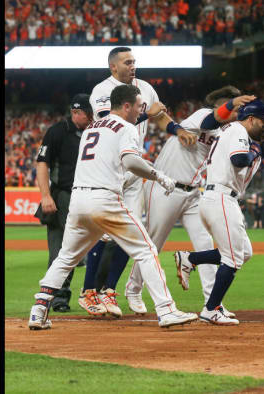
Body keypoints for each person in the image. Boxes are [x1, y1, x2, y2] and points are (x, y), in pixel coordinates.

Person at [28, 84, 198, 330]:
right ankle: (167, 310)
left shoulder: (91, 127)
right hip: (104, 200)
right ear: (126, 105)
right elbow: (130, 161)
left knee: (65, 257)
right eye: (139, 106)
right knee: (147, 249)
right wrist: (159, 176)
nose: (141, 111)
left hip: (78, 201)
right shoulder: (126, 127)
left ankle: (39, 310)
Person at [79, 46, 197, 317]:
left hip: (134, 169)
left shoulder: (144, 87)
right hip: (111, 168)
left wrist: (177, 129)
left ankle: (109, 292)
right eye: (127, 62)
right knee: (104, 232)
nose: (133, 65)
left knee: (130, 232)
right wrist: (148, 112)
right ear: (113, 67)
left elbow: (159, 115)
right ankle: (88, 292)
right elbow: (108, 122)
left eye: (134, 61)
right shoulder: (102, 90)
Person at [125, 86, 256, 318]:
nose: (239, 113)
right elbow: (208, 123)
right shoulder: (203, 114)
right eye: (236, 108)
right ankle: (133, 289)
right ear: (223, 106)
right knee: (153, 242)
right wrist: (230, 104)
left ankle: (212, 304)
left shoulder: (230, 132)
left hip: (195, 192)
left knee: (205, 244)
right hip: (166, 186)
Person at [173, 98, 264, 326]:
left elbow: (243, 159)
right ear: (250, 119)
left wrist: (261, 151)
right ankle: (211, 309)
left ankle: (190, 258)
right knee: (232, 259)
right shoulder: (238, 130)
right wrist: (257, 150)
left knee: (243, 252)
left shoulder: (234, 132)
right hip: (221, 198)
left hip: (218, 198)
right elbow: (239, 159)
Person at [34, 94, 93, 313]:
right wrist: (46, 195)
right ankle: (57, 298)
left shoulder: (94, 130)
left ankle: (96, 294)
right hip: (63, 195)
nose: (92, 117)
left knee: (90, 250)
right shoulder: (57, 131)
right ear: (76, 112)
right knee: (59, 250)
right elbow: (42, 163)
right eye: (88, 113)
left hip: (90, 196)